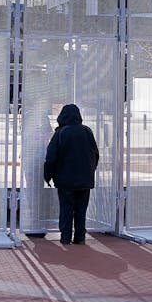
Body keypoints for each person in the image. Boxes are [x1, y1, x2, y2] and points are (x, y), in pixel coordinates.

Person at [43, 103, 99, 244]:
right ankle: (80, 237)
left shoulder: (61, 133)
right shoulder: (87, 131)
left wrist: (48, 176)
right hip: (85, 180)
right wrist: (90, 171)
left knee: (66, 208)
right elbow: (95, 154)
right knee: (81, 210)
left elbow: (51, 157)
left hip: (65, 180)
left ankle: (66, 237)